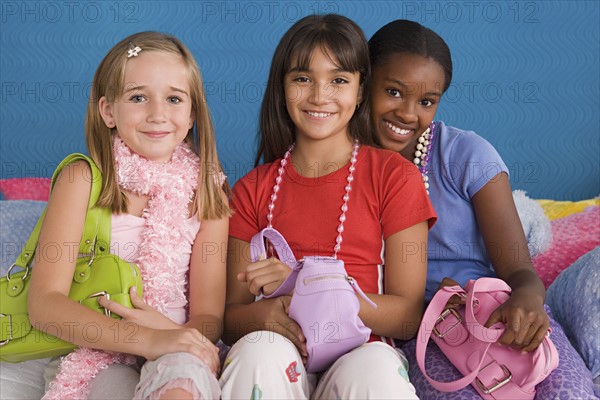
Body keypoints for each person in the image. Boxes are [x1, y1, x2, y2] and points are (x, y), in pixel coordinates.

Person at [368, 19, 597, 399]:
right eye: (393, 91)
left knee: (569, 391)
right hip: (426, 333)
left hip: (496, 311)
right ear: (364, 81)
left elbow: (520, 269)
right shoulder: (344, 164)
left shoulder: (466, 155)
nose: (408, 114)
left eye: (426, 101)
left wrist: (527, 298)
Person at [219, 14, 436, 399]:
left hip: (361, 353)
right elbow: (231, 318)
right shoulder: (252, 189)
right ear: (282, 87)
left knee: (376, 372)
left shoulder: (395, 177)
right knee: (256, 353)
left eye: (338, 80)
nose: (320, 95)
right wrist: (265, 314)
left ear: (361, 89)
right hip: (280, 352)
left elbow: (407, 317)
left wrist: (311, 291)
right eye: (302, 78)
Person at [28, 31, 230, 400]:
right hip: (95, 352)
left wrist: (168, 335)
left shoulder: (207, 190)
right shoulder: (84, 180)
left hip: (172, 341)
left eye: (173, 99)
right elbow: (44, 305)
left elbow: (208, 317)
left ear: (191, 115)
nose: (157, 114)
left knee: (184, 381)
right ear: (108, 111)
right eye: (138, 97)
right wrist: (145, 338)